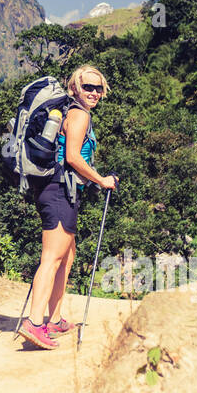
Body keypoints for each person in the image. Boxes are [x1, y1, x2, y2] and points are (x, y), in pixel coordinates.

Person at [16, 65, 117, 350]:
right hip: (59, 189)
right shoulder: (80, 114)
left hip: (58, 189)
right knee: (53, 256)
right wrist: (102, 180)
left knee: (68, 253)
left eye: (98, 88)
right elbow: (73, 157)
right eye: (88, 87)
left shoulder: (70, 111)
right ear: (74, 87)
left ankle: (55, 318)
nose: (94, 93)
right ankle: (35, 324)